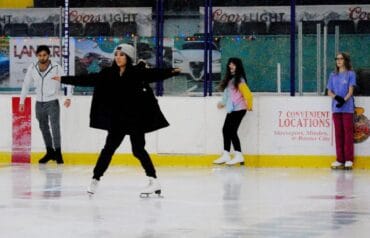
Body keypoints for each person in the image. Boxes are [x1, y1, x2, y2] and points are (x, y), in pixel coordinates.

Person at [52, 43, 180, 196]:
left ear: (129, 57)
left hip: (135, 119)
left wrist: (171, 72)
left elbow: (154, 74)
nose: (118, 58)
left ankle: (154, 181)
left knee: (138, 150)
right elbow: (88, 79)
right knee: (108, 150)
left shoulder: (137, 72)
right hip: (117, 120)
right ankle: (95, 179)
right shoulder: (108, 73)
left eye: (122, 55)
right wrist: (64, 79)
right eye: (116, 55)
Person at [20, 45, 72, 164]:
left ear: (48, 55)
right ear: (37, 56)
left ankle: (58, 153)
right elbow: (26, 84)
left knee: (55, 128)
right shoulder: (32, 67)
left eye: (44, 55)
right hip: (39, 103)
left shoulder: (56, 67)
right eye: (40, 55)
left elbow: (67, 81)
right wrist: (22, 101)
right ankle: (50, 152)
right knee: (43, 128)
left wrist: (68, 97)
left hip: (52, 102)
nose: (42, 57)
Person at [213, 58, 253, 166]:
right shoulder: (230, 79)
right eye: (230, 64)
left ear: (238, 66)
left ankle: (238, 155)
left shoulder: (239, 79)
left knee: (232, 131)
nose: (230, 66)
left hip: (240, 109)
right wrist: (222, 103)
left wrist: (249, 106)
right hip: (232, 109)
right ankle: (226, 154)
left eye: (233, 64)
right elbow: (227, 94)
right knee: (226, 129)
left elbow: (248, 94)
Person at [327, 52, 356, 170]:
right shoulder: (332, 75)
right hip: (336, 108)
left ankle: (348, 159)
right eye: (337, 59)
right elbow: (329, 91)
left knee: (348, 134)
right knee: (338, 134)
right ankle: (340, 159)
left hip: (347, 107)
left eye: (341, 58)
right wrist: (337, 98)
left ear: (345, 60)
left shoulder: (350, 74)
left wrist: (344, 100)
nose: (338, 61)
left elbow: (350, 91)